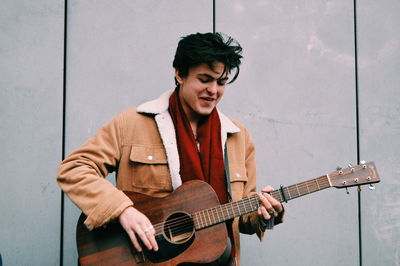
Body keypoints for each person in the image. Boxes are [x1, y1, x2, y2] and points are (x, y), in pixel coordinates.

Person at [57, 32, 284, 265]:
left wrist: (264, 214)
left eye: (221, 82)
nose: (213, 90)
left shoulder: (239, 136)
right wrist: (122, 210)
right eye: (205, 79)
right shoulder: (131, 124)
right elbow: (74, 169)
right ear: (180, 74)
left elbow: (242, 216)